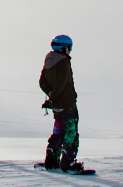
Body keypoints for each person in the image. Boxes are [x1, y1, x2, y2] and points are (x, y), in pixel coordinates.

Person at [39, 34, 88, 173]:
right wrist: (54, 96)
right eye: (69, 47)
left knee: (58, 132)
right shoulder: (63, 61)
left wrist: (51, 95)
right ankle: (68, 163)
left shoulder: (49, 60)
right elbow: (62, 82)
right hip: (67, 104)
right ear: (64, 47)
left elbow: (42, 82)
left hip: (57, 106)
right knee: (71, 133)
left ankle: (51, 160)